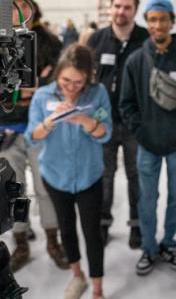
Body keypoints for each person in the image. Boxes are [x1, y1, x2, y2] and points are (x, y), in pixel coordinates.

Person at [120, 0, 176, 276]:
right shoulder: (135, 60)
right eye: (153, 19)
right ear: (147, 22)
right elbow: (126, 104)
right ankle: (148, 248)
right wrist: (140, 133)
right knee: (147, 199)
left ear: (172, 21)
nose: (158, 24)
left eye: (163, 19)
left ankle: (168, 243)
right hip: (146, 146)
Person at [24, 44, 112, 299]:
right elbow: (32, 138)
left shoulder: (98, 94)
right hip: (55, 176)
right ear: (57, 73)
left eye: (78, 82)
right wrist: (50, 123)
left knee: (92, 233)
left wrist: (86, 121)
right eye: (65, 80)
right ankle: (77, 276)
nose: (71, 87)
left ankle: (97, 288)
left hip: (89, 176)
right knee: (67, 228)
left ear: (88, 78)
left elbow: (105, 135)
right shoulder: (43, 97)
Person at [0, 0, 67, 272]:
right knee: (15, 190)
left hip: (41, 126)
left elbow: (63, 77)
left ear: (32, 6)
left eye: (23, 5)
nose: (18, 11)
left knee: (45, 188)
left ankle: (53, 240)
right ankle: (21, 242)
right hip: (8, 130)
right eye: (11, 6)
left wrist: (37, 88)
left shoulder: (49, 41)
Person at [87, 0, 148, 248]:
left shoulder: (145, 39)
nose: (121, 11)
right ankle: (102, 223)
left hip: (136, 123)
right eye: (118, 6)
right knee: (105, 176)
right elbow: (87, 79)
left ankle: (137, 226)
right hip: (104, 121)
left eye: (127, 7)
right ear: (110, 8)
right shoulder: (96, 39)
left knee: (137, 176)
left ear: (135, 10)